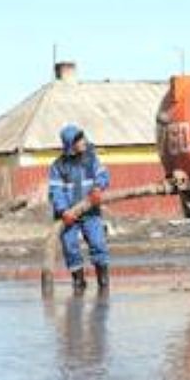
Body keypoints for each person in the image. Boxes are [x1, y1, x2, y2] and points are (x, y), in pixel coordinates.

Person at [49, 123, 110, 292]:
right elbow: (56, 191)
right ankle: (79, 282)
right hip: (69, 215)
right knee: (70, 247)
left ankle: (103, 283)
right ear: (71, 145)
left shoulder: (91, 159)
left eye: (83, 138)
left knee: (98, 243)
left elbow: (103, 175)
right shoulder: (58, 166)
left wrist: (98, 188)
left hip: (90, 211)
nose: (83, 141)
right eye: (79, 139)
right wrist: (63, 211)